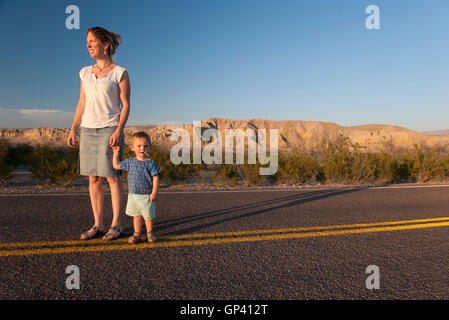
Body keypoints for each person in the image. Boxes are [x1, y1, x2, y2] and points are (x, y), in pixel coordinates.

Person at [67, 26, 130, 240]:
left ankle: (116, 225)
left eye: (92, 41)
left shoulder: (119, 73)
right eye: (87, 42)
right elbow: (81, 103)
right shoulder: (85, 72)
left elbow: (125, 104)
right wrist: (73, 129)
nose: (88, 45)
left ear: (105, 44)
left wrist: (119, 130)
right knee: (93, 179)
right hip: (88, 128)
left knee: (112, 177)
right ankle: (98, 224)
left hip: (109, 129)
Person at [112, 132, 160, 244]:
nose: (142, 148)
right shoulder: (129, 162)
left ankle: (150, 233)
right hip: (133, 196)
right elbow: (116, 166)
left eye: (145, 146)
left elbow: (156, 179)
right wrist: (115, 153)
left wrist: (154, 193)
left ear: (149, 148)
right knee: (136, 216)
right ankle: (137, 233)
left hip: (146, 196)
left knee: (148, 217)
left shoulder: (151, 164)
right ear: (132, 148)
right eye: (139, 146)